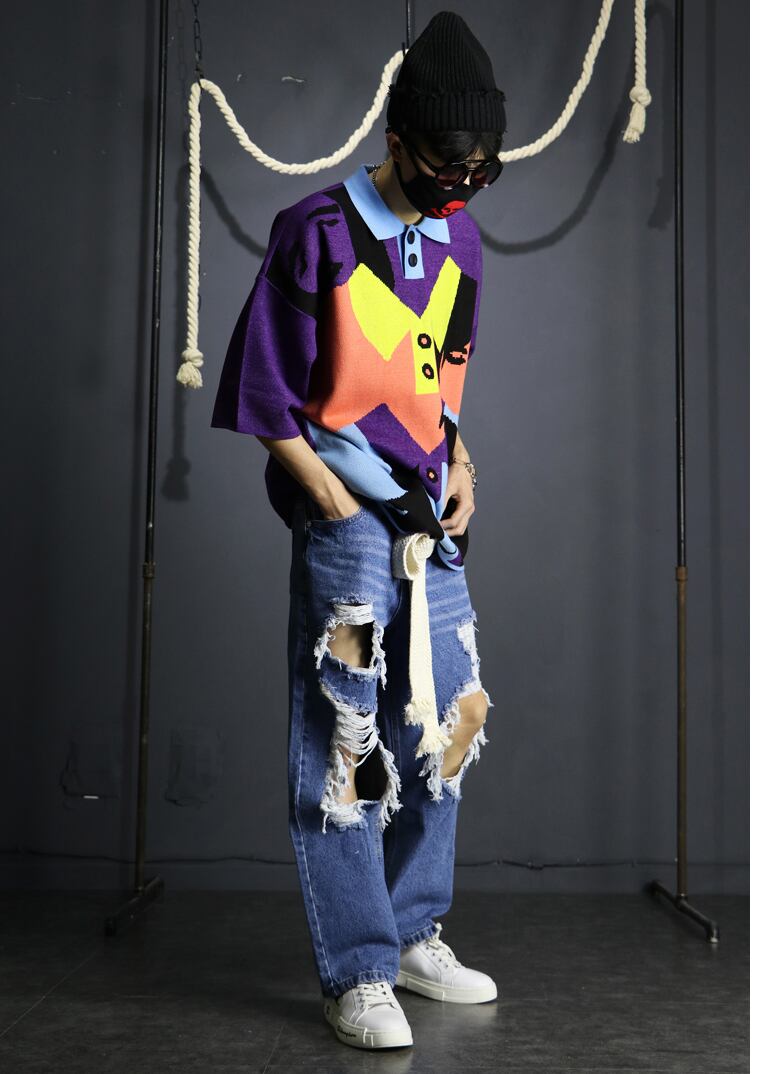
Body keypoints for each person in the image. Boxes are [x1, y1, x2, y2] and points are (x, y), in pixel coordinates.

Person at [209, 10, 507, 1050]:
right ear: (397, 139)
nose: (461, 185)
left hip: (432, 523)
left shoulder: (461, 238)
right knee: (347, 741)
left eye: (480, 170)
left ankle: (416, 928)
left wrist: (462, 464)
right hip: (345, 527)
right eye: (445, 165)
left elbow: (440, 385)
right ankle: (359, 969)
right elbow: (262, 393)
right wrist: (327, 496)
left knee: (452, 722)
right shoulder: (319, 231)